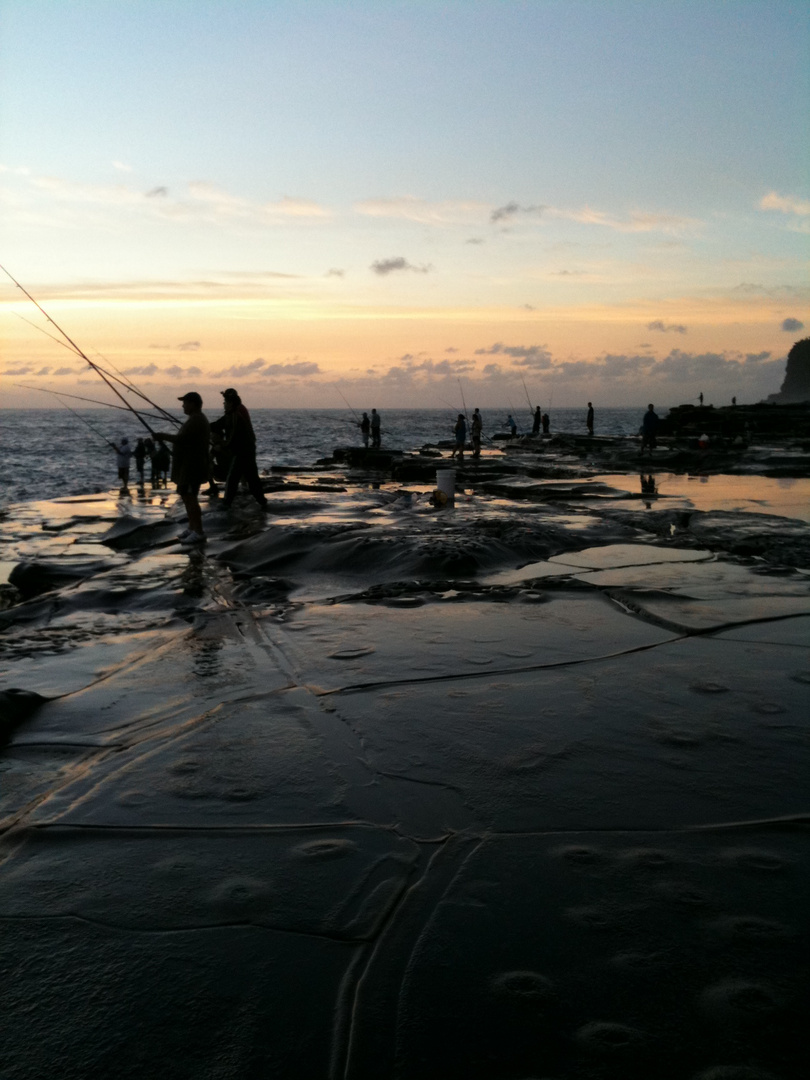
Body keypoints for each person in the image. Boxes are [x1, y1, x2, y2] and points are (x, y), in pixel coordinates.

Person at [156, 391, 211, 545]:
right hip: (189, 466)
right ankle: (192, 528)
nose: (182, 405)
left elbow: (182, 440)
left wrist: (162, 436)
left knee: (191, 497)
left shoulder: (197, 420)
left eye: (185, 403)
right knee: (187, 497)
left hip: (193, 466)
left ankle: (198, 531)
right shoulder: (194, 419)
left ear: (193, 404)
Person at [218, 388, 268, 511]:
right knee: (251, 478)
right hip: (246, 449)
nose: (223, 403)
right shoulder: (235, 412)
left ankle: (227, 503)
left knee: (233, 477)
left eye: (225, 401)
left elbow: (234, 435)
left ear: (231, 402)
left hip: (243, 450)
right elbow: (220, 424)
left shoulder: (237, 413)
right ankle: (262, 501)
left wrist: (223, 445)